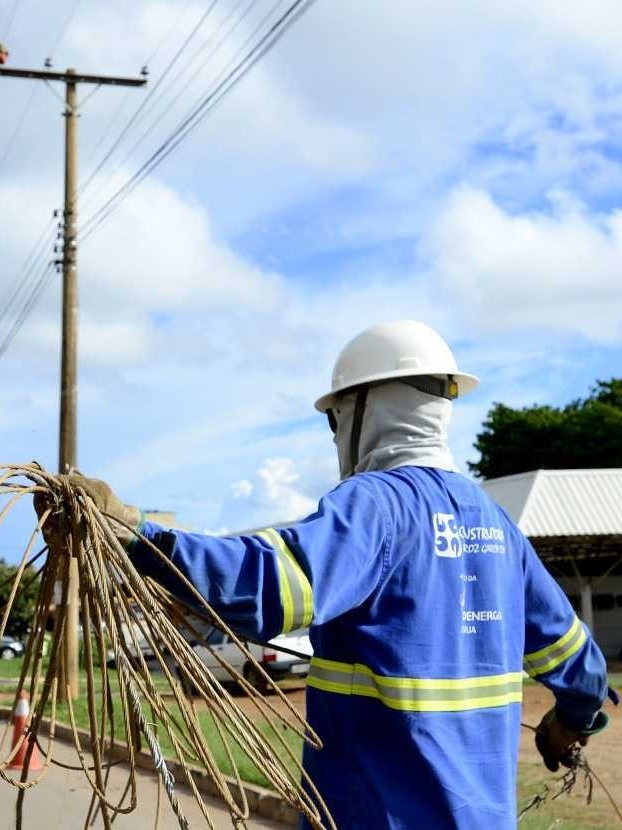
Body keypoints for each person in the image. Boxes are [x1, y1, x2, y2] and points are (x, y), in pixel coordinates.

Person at [38, 320, 614, 829]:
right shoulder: (496, 526)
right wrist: (571, 723)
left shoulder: (376, 507)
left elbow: (269, 584)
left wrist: (136, 534)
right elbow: (578, 665)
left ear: (362, 409)